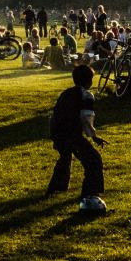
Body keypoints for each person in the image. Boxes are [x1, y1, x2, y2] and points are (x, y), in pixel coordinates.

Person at [47, 65, 107, 203]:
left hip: (58, 132)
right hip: (71, 133)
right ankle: (91, 192)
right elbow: (86, 118)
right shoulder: (86, 95)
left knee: (65, 158)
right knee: (93, 160)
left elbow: (55, 114)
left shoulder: (65, 93)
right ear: (89, 81)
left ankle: (57, 187)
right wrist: (93, 136)